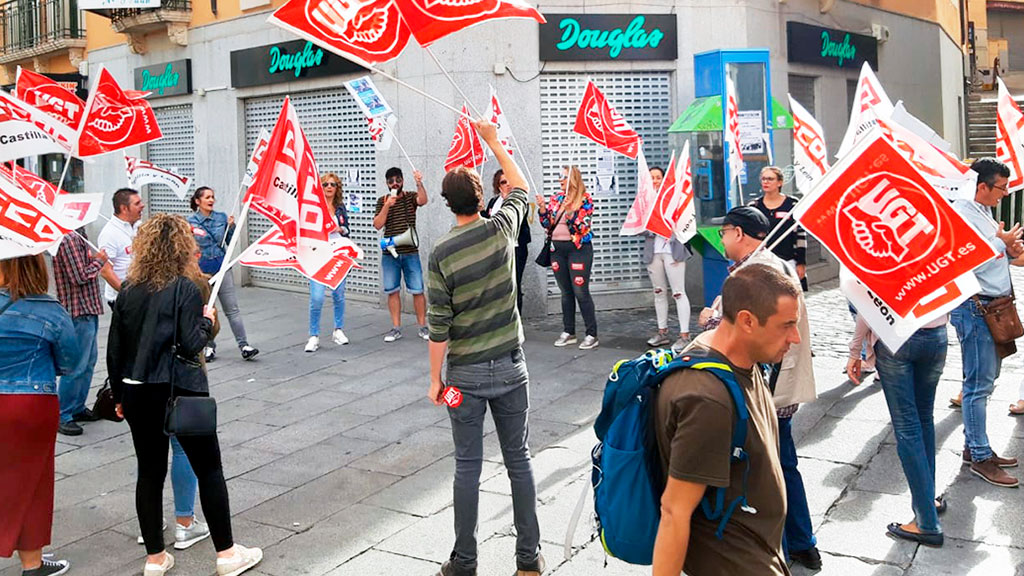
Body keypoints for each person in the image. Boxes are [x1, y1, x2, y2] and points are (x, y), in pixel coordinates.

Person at [107, 214, 262, 576]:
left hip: (136, 391)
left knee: (149, 473)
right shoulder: (186, 288)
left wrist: (117, 393)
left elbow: (115, 348)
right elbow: (192, 343)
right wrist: (206, 320)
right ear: (180, 247)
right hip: (181, 390)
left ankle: (155, 558)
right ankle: (226, 553)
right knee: (208, 468)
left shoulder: (128, 288)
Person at [427, 119, 544, 576]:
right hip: (512, 367)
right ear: (481, 198)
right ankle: (528, 558)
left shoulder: (441, 253)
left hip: (462, 379)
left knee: (466, 466)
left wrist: (435, 380)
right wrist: (493, 140)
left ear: (446, 203)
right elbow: (522, 188)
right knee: (520, 460)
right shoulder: (501, 230)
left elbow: (439, 326)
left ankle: (465, 561)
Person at [652, 263, 800, 576]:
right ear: (747, 321)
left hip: (760, 551)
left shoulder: (745, 359)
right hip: (733, 563)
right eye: (786, 325)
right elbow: (674, 511)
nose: (796, 337)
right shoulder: (707, 399)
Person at [700, 207, 820, 569]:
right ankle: (803, 543)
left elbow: (736, 328)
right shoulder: (775, 263)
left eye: (723, 234)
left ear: (738, 233)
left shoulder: (755, 273)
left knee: (766, 477)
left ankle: (778, 554)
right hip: (782, 382)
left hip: (763, 387)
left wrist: (709, 317)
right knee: (785, 464)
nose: (721, 241)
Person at [0, 255, 79, 576]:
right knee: (34, 480)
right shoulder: (50, 310)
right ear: (37, 268)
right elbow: (71, 362)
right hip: (32, 404)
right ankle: (32, 564)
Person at [950, 158, 1021, 488]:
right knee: (978, 386)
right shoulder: (962, 211)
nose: (1004, 194)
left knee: (985, 379)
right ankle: (979, 457)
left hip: (993, 307)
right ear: (982, 186)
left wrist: (1006, 250)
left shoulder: (983, 210)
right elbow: (967, 256)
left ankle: (974, 446)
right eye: (1001, 188)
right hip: (976, 308)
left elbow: (990, 255)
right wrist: (1001, 243)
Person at [847, 316, 948, 547]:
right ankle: (927, 501)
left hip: (897, 338)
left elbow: (867, 303)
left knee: (908, 427)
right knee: (924, 420)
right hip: (935, 335)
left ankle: (927, 523)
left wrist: (856, 351)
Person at [187, 186, 259, 362]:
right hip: (201, 271)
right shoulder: (191, 222)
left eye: (213, 197)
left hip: (221, 266)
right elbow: (188, 247)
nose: (211, 200)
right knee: (206, 309)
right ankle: (209, 347)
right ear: (198, 201)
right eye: (207, 197)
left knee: (232, 308)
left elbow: (229, 241)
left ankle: (244, 345)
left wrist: (232, 227)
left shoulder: (221, 218)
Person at [53, 229, 109, 436]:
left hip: (88, 308)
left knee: (88, 362)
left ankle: (76, 407)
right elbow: (79, 276)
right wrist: (100, 261)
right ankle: (63, 413)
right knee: (77, 365)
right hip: (78, 310)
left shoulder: (79, 235)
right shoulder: (68, 238)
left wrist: (93, 259)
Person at [536, 165, 598, 350]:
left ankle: (591, 334)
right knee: (565, 291)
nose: (559, 180)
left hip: (578, 249)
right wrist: (541, 209)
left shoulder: (585, 199)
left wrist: (571, 213)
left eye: (562, 177)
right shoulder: (557, 198)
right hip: (557, 249)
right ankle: (569, 331)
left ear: (572, 179)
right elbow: (548, 224)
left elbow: (583, 227)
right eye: (558, 176)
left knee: (581, 291)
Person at [374, 166, 428, 342]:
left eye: (398, 180)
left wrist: (419, 183)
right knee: (392, 291)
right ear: (386, 183)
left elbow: (423, 200)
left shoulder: (410, 197)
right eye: (391, 181)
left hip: (410, 252)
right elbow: (377, 224)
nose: (395, 183)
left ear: (403, 180)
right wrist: (387, 206)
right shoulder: (382, 200)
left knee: (418, 290)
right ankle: (395, 328)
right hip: (390, 255)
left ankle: (422, 326)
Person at [644, 165, 692, 352]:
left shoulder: (674, 199)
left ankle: (685, 335)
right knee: (658, 292)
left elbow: (684, 224)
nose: (655, 181)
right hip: (653, 251)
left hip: (673, 251)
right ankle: (662, 332)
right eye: (651, 178)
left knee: (678, 292)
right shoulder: (644, 201)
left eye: (658, 177)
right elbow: (639, 227)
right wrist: (652, 225)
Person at [305, 173, 351, 352]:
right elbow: (307, 230)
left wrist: (340, 228)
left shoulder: (340, 207)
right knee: (316, 297)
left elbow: (347, 228)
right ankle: (313, 335)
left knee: (338, 294)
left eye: (333, 184)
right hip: (318, 255)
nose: (329, 187)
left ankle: (338, 330)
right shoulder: (314, 208)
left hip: (337, 255)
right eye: (325, 184)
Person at [749, 166, 808, 290]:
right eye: (763, 179)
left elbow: (800, 234)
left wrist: (801, 262)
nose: (765, 182)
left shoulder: (792, 204)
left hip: (788, 260)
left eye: (770, 179)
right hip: (762, 261)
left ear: (780, 182)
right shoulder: (754, 206)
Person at [483, 169, 531, 314]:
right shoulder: (493, 202)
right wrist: (480, 210)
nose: (508, 185)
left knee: (514, 285)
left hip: (515, 248)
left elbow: (514, 220)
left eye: (510, 181)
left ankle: (516, 322)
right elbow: (488, 222)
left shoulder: (518, 201)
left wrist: (506, 201)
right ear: (498, 185)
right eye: (504, 182)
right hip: (497, 249)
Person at [98, 188, 145, 307]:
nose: (142, 206)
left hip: (142, 294)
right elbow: (105, 271)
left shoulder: (140, 227)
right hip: (123, 299)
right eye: (137, 203)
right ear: (124, 208)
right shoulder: (109, 233)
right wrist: (128, 295)